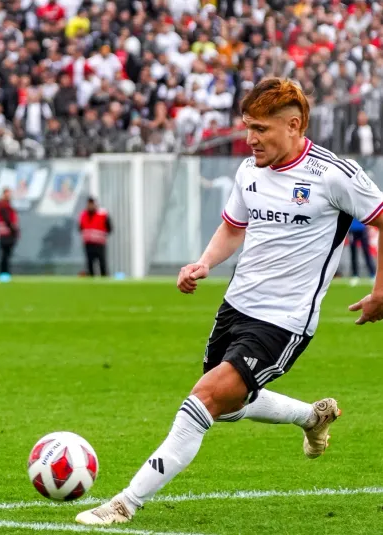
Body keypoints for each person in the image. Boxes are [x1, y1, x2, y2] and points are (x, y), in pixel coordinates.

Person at [76, 78, 383, 526]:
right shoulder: (248, 172)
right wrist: (203, 263)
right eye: (247, 127)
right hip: (237, 305)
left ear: (294, 125)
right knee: (230, 405)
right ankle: (312, 417)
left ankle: (124, 503)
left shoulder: (334, 174)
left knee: (203, 400)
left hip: (284, 320)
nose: (250, 138)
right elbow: (233, 227)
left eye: (260, 128)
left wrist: (380, 291)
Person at [79, 196, 112, 276]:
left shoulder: (102, 214)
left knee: (102, 263)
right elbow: (80, 227)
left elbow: (109, 228)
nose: (90, 206)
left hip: (99, 244)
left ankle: (104, 279)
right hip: (88, 243)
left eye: (92, 204)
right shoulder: (83, 215)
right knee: (90, 263)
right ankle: (91, 280)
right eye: (89, 204)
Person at [0, 187, 19, 276]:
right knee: (5, 254)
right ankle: (3, 273)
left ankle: (6, 272)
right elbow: (7, 219)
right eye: (7, 193)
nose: (9, 195)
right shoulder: (2, 205)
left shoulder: (8, 205)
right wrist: (13, 229)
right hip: (5, 233)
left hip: (9, 233)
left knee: (7, 254)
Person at [348, 217, 376, 285]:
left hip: (362, 228)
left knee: (366, 252)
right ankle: (355, 275)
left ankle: (372, 274)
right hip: (352, 229)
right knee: (353, 254)